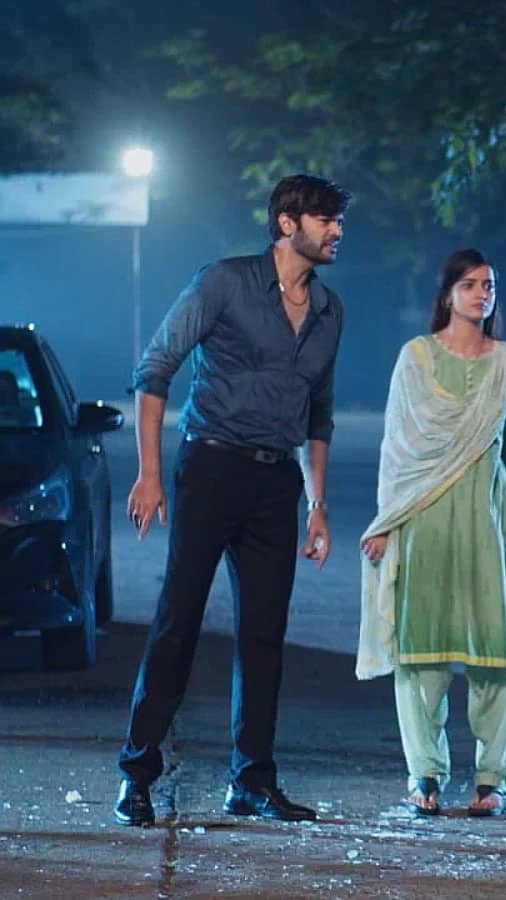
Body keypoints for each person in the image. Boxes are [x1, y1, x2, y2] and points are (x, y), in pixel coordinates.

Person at [115, 174, 350, 827]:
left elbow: (319, 415)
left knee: (264, 635)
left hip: (277, 484)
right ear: (287, 223)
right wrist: (149, 474)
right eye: (326, 219)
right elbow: (154, 370)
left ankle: (252, 780)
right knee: (178, 621)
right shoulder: (223, 282)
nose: (337, 231)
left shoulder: (329, 311)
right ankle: (137, 773)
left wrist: (318, 505)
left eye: (340, 221)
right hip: (211, 467)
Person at [358, 248, 506, 818]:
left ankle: (492, 778)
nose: (482, 294)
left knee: (495, 653)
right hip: (423, 519)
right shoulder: (415, 358)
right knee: (421, 653)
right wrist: (386, 523)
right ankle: (424, 772)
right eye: (470, 284)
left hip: (485, 521)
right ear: (448, 294)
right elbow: (397, 447)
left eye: (489, 285)